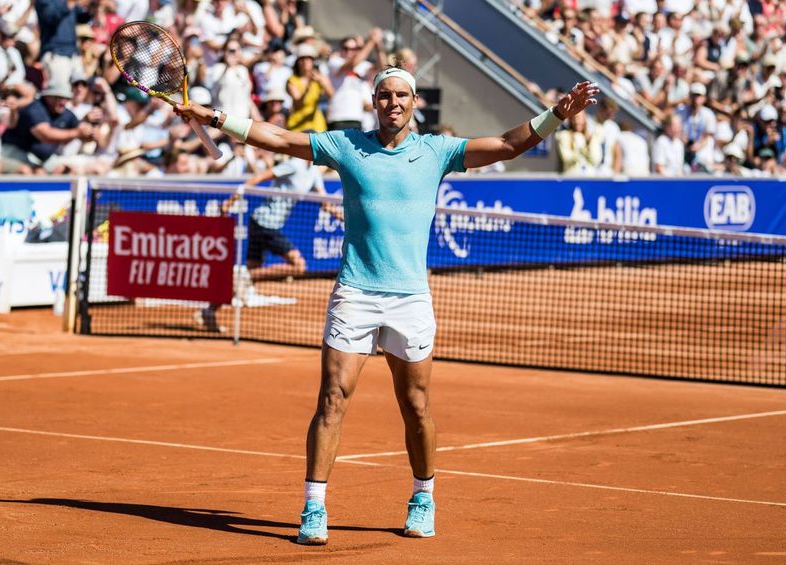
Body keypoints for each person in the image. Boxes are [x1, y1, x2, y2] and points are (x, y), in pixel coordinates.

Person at [175, 67, 599, 544]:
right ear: (373, 102)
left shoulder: (437, 151)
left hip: (410, 299)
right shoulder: (345, 145)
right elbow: (276, 139)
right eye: (384, 95)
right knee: (332, 400)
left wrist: (558, 114)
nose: (393, 102)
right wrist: (214, 116)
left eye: (401, 95)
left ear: (414, 101)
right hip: (355, 293)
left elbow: (505, 145)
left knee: (415, 406)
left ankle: (423, 496)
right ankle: (313, 508)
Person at [195, 151, 335, 333]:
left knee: (247, 274)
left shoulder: (314, 172)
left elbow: (323, 200)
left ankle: (209, 310)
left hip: (266, 224)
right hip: (264, 223)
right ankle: (245, 276)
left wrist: (341, 216)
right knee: (298, 265)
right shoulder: (293, 164)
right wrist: (234, 197)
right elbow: (262, 176)